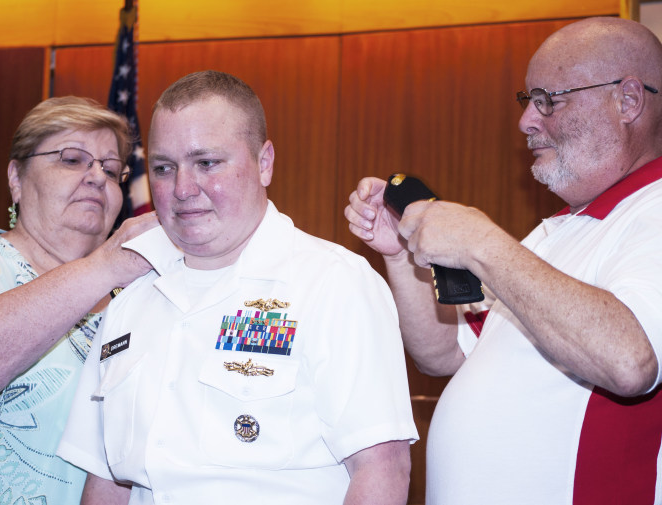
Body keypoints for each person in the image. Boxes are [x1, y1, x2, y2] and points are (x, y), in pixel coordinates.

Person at [57, 70, 417, 505]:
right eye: (164, 168)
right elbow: (106, 481)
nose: (183, 189)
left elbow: (382, 469)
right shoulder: (130, 300)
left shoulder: (333, 283)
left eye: (207, 163)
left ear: (264, 163)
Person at [346, 16, 662, 505]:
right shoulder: (555, 233)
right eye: (527, 101)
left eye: (548, 100)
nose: (526, 121)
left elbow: (630, 361)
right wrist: (401, 253)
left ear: (627, 100)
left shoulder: (653, 209)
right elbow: (446, 354)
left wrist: (483, 243)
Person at [0, 96, 159, 503]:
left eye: (111, 170)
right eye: (72, 159)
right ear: (16, 179)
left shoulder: (135, 301)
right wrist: (103, 266)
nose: (96, 177)